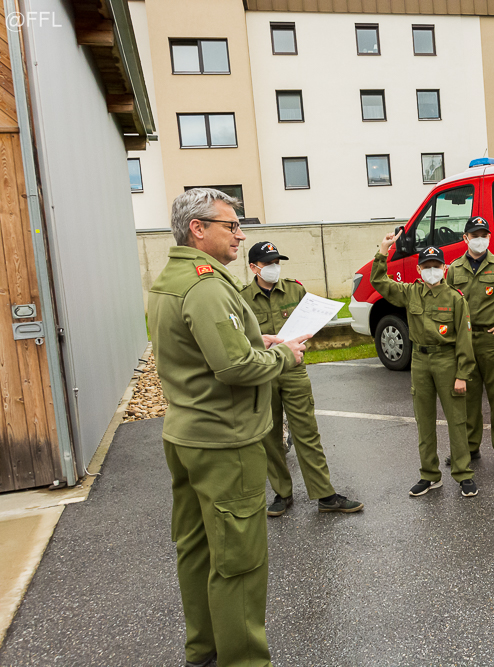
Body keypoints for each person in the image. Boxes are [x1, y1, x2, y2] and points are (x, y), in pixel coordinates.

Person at [148, 188, 309, 667]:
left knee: (197, 550)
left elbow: (205, 347)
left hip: (187, 434)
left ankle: (203, 651)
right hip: (225, 441)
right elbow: (235, 366)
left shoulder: (172, 279)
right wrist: (283, 356)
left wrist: (259, 339)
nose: (240, 235)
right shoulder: (206, 286)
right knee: (239, 562)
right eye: (231, 225)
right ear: (198, 229)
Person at [239, 241, 363, 517]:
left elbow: (311, 322)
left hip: (293, 370)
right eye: (268, 263)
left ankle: (325, 495)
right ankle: (282, 493)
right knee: (270, 436)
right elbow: (237, 339)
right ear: (253, 267)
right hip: (263, 373)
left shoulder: (295, 289)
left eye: (277, 262)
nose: (274, 268)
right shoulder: (241, 299)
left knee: (307, 433)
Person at [370, 232, 479, 498]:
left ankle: (463, 474)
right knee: (424, 420)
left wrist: (462, 374)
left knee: (457, 419)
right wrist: (383, 251)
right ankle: (429, 475)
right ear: (419, 270)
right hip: (420, 361)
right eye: (426, 266)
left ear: (445, 268)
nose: (432, 271)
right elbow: (379, 282)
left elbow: (464, 340)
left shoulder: (455, 298)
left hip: (446, 361)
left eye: (436, 266)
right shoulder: (410, 293)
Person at [445, 216, 494, 469]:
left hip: (493, 339)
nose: (479, 239)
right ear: (465, 238)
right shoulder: (454, 269)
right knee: (468, 397)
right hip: (465, 341)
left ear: (489, 237)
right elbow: (446, 303)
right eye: (474, 235)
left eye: (483, 235)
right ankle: (469, 446)